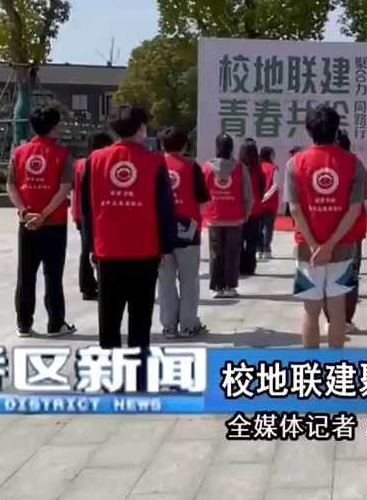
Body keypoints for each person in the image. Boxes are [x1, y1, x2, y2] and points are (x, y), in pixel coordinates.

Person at [79, 106, 176, 366]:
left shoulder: (94, 160)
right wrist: (166, 247)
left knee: (108, 315)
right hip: (145, 250)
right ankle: (137, 370)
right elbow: (164, 208)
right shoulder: (155, 161)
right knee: (140, 317)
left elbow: (86, 209)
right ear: (141, 128)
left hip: (107, 250)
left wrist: (90, 246)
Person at [285, 106, 366, 349]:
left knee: (310, 311)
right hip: (342, 248)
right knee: (337, 309)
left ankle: (310, 366)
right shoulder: (352, 162)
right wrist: (329, 245)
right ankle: (334, 365)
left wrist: (314, 245)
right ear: (336, 129)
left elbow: (295, 209)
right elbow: (354, 209)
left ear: (309, 130)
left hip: (306, 250)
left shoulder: (295, 163)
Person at [7, 107, 75, 338]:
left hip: (27, 224)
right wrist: (44, 214)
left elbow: (11, 185)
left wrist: (25, 212)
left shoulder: (18, 153)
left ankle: (23, 324)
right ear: (54, 127)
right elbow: (64, 188)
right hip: (54, 224)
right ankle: (56, 323)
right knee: (53, 276)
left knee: (25, 275)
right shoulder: (62, 154)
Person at [324, 129, 367, 329]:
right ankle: (345, 320)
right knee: (351, 276)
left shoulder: (323, 165)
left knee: (329, 275)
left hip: (326, 228)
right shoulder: (355, 164)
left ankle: (331, 320)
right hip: (352, 230)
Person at [158, 127, 210, 338]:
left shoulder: (155, 165)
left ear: (162, 144)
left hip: (160, 233)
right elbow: (203, 201)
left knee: (165, 281)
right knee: (189, 280)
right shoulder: (192, 166)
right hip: (188, 232)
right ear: (185, 144)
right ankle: (188, 325)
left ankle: (169, 325)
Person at [203, 134, 254, 298]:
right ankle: (230, 287)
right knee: (232, 253)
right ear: (231, 148)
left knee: (216, 253)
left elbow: (201, 193)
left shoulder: (206, 167)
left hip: (214, 217)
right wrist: (246, 213)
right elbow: (247, 195)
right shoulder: (240, 167)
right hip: (235, 218)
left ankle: (216, 287)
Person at [72, 132, 112, 301]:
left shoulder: (78, 164)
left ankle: (86, 285)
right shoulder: (98, 163)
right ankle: (95, 284)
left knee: (85, 248)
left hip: (79, 212)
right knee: (97, 249)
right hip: (94, 212)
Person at [239, 140, 266, 277]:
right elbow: (262, 191)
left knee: (239, 240)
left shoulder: (238, 170)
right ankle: (250, 267)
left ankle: (241, 265)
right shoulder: (259, 171)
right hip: (256, 210)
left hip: (240, 210)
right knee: (252, 241)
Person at [258, 146, 281, 261]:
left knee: (259, 227)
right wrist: (266, 197)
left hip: (258, 202)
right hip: (270, 202)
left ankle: (259, 249)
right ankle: (266, 249)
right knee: (268, 227)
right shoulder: (274, 168)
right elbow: (275, 185)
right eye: (273, 153)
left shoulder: (257, 167)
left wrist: (260, 198)